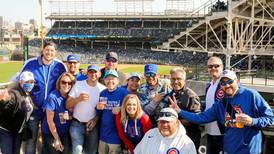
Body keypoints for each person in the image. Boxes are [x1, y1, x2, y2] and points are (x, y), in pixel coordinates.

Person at [170, 70, 274, 154]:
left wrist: (252, 121)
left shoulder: (251, 95)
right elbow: (201, 118)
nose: (227, 85)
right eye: (223, 83)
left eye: (230, 82)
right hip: (229, 148)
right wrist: (179, 111)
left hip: (250, 150)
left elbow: (270, 118)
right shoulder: (220, 104)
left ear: (237, 81)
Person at [21, 41, 67, 154]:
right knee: (32, 141)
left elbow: (66, 82)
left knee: (47, 142)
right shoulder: (30, 63)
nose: (49, 52)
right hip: (34, 109)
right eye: (47, 49)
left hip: (50, 111)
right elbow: (19, 80)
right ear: (43, 50)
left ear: (55, 52)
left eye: (52, 50)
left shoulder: (60, 65)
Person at [156, 67, 201, 151]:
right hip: (172, 138)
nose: (175, 82)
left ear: (184, 80)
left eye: (179, 79)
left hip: (188, 138)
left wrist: (175, 122)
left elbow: (196, 120)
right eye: (173, 79)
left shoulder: (191, 96)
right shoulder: (169, 95)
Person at [66, 64, 105, 154]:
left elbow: (103, 111)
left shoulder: (103, 89)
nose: (93, 74)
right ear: (87, 73)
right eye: (91, 72)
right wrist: (78, 99)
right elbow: (67, 105)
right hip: (77, 124)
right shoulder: (78, 85)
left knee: (91, 152)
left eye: (95, 72)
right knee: (77, 151)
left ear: (99, 74)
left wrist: (95, 119)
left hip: (92, 126)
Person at [0, 71, 35, 154]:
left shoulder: (27, 94)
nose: (30, 84)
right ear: (20, 82)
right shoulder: (14, 93)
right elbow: (8, 102)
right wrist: (4, 101)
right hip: (6, 131)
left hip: (18, 132)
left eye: (32, 82)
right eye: (27, 82)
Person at [41, 72, 76, 154]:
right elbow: (50, 121)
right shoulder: (53, 97)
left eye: (69, 83)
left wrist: (69, 117)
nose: (66, 85)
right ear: (59, 83)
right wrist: (56, 139)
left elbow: (71, 116)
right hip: (50, 132)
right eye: (64, 82)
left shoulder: (71, 97)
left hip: (64, 132)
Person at [96, 69, 128, 154]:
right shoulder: (102, 93)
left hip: (116, 138)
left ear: (117, 80)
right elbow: (99, 113)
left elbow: (132, 108)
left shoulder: (124, 92)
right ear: (104, 81)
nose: (110, 81)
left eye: (113, 78)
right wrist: (98, 108)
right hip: (103, 136)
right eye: (108, 78)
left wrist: (121, 109)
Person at [205, 56, 224, 154]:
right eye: (210, 66)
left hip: (223, 132)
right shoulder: (209, 85)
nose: (213, 68)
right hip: (209, 131)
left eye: (216, 66)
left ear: (222, 67)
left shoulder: (226, 84)